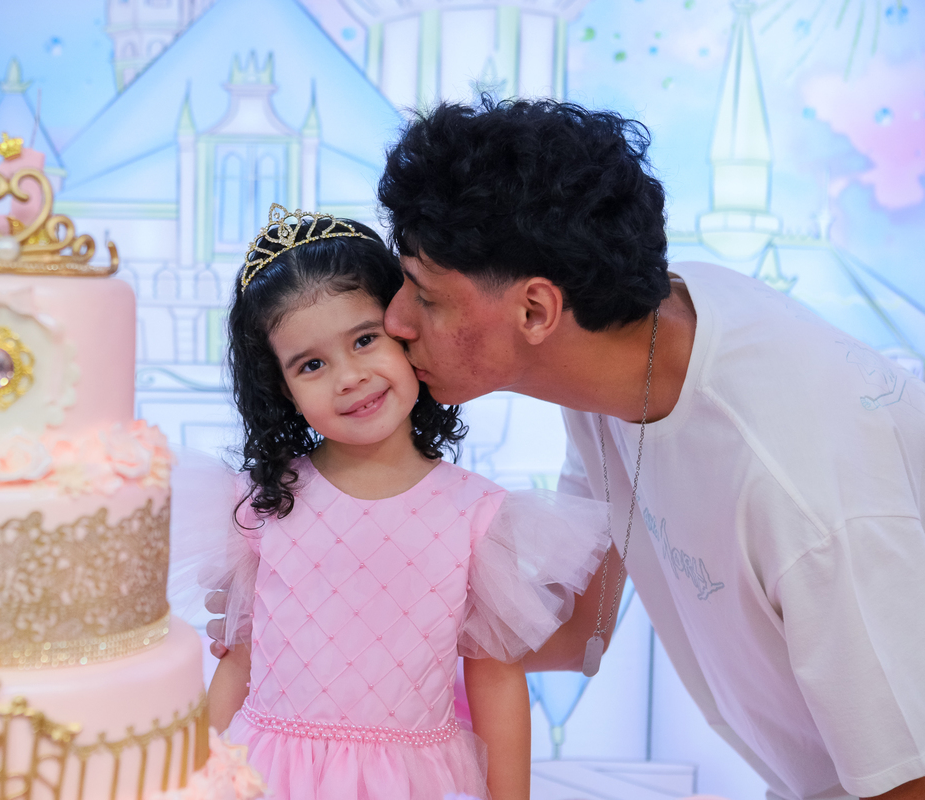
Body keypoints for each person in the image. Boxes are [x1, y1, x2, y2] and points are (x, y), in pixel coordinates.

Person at [368, 97, 925, 800]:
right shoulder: (615, 356)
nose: (394, 319)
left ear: (536, 310)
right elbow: (580, 629)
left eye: (424, 296)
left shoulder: (799, 488)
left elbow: (907, 778)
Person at [186, 204, 612, 800]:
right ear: (282, 388)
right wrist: (193, 781)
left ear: (407, 329)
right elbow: (238, 662)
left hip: (412, 781)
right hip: (270, 775)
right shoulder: (262, 506)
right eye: (312, 364)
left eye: (365, 340)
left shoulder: (477, 517)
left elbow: (495, 679)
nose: (349, 377)